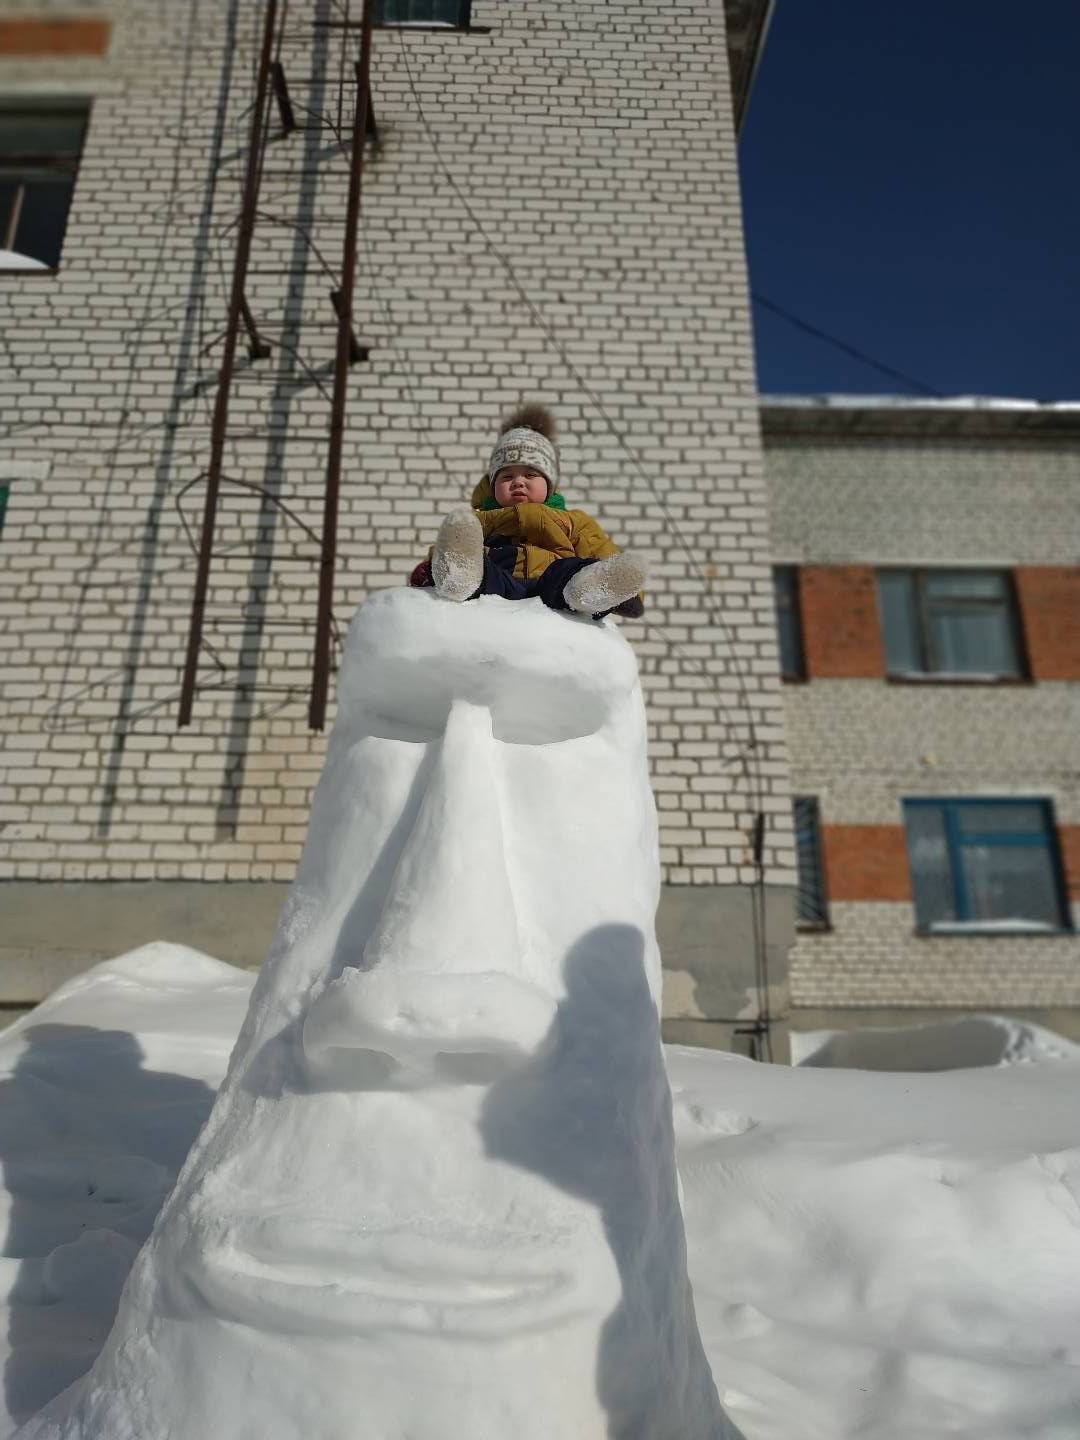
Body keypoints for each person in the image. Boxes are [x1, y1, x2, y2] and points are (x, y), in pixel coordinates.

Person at [409, 404, 646, 619]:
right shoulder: (479, 519)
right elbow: (456, 545)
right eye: (507, 476)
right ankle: (461, 575)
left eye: (530, 474)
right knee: (481, 564)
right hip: (498, 585)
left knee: (570, 570)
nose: (518, 482)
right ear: (492, 485)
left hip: (552, 588)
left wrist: (628, 596)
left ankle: (595, 587)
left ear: (550, 484)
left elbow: (601, 549)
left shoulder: (574, 521)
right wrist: (430, 568)